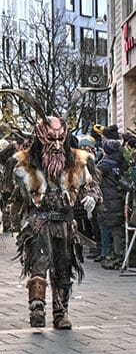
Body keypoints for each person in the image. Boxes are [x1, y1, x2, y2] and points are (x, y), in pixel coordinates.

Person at [8, 100, 99, 329]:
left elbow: (92, 184)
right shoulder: (24, 163)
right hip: (38, 223)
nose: (57, 146)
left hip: (66, 224)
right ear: (41, 138)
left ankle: (61, 313)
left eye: (61, 139)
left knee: (63, 267)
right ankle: (37, 308)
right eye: (51, 139)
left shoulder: (79, 161)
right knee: (39, 265)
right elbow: (13, 192)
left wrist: (91, 196)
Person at [96, 138, 127, 269]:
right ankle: (116, 254)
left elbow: (94, 177)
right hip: (116, 198)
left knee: (106, 227)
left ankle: (110, 254)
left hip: (107, 199)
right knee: (115, 228)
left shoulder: (105, 164)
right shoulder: (119, 163)